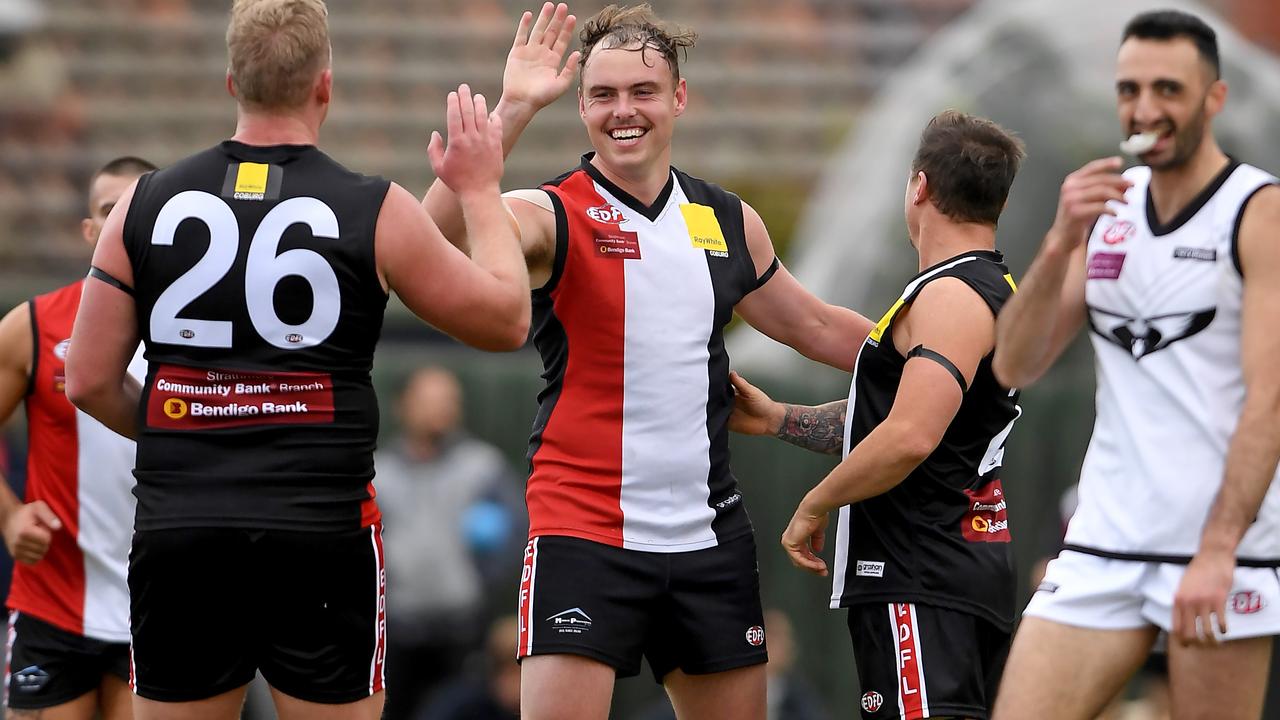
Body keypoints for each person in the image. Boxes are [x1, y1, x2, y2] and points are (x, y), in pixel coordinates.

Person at [63, 1, 531, 718]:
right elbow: (506, 318)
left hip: (184, 531)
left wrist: (194, 425)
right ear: (326, 85)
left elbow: (90, 378)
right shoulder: (371, 206)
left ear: (230, 83)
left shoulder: (142, 204)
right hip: (319, 534)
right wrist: (478, 186)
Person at [423, 4, 875, 719]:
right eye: (602, 95)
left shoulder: (727, 220)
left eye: (642, 92)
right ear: (579, 105)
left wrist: (935, 354)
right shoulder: (550, 213)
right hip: (582, 528)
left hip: (708, 535)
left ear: (679, 99)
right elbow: (429, 244)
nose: (622, 111)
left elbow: (815, 324)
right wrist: (511, 109)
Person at [989, 10, 1280, 720]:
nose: (1146, 109)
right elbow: (1014, 362)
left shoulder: (1257, 209)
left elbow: (1270, 400)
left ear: (1213, 98)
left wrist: (1217, 551)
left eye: (1167, 90)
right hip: (1105, 538)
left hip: (1222, 547)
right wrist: (1060, 241)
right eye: (1130, 89)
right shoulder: (1109, 214)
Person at [729, 110, 1026, 720]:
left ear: (919, 186)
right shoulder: (986, 288)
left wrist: (816, 503)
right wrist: (779, 418)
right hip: (954, 573)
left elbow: (911, 436)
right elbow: (909, 422)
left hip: (924, 574)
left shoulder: (950, 296)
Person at [0, 156, 153, 720]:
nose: (120, 227)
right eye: (109, 214)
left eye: (134, 212)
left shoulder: (199, 331)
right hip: (55, 603)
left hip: (161, 606)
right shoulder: (34, 326)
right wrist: (10, 516)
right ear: (90, 232)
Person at [376, 366, 524, 719]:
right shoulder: (378, 472)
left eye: (449, 401)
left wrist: (482, 582)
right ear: (403, 405)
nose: (441, 409)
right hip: (395, 630)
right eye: (429, 400)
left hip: (464, 629)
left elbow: (515, 533)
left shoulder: (483, 466)